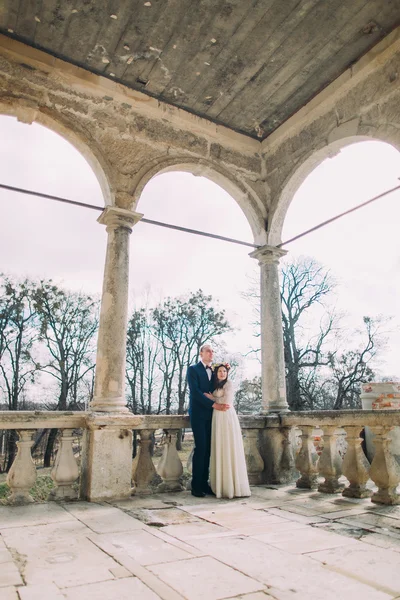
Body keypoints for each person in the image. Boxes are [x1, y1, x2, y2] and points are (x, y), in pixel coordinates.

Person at [187, 345, 230, 498]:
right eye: (208, 351)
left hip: (213, 415)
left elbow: (223, 385)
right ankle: (196, 486)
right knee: (201, 448)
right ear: (201, 354)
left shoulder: (215, 371)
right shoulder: (193, 369)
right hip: (198, 413)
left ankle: (205, 484)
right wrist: (213, 404)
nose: (211, 353)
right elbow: (196, 392)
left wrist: (226, 368)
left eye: (213, 351)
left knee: (209, 450)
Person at [205, 363, 251, 499]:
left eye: (224, 371)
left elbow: (226, 401)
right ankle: (220, 485)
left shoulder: (228, 384)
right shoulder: (215, 385)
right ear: (216, 373)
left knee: (228, 445)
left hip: (226, 415)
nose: (222, 373)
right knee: (219, 446)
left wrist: (211, 398)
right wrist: (214, 400)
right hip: (217, 416)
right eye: (220, 371)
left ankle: (232, 486)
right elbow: (219, 402)